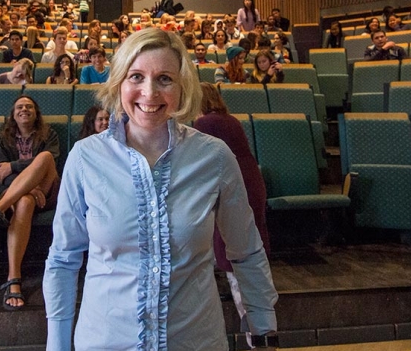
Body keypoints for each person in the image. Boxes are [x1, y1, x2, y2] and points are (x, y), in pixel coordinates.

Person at [43, 28, 278, 351]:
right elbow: (63, 259)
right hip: (107, 340)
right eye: (136, 76)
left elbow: (246, 249)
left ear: (182, 87)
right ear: (119, 83)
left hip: (194, 340)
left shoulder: (215, 156)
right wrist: (57, 343)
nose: (149, 93)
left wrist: (263, 323)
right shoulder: (85, 158)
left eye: (165, 79)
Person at [193, 81, 273, 347]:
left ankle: (255, 334)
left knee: (235, 256)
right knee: (246, 249)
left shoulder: (205, 124)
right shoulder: (230, 120)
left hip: (231, 186)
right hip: (249, 180)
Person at [0, 96, 60, 310]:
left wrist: (12, 165)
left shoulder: (49, 135)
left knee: (45, 157)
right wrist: (28, 186)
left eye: (29, 106)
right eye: (20, 107)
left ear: (36, 112)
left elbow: (51, 163)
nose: (24, 109)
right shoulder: (0, 138)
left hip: (46, 190)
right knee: (25, 202)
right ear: (13, 113)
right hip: (23, 194)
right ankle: (14, 279)